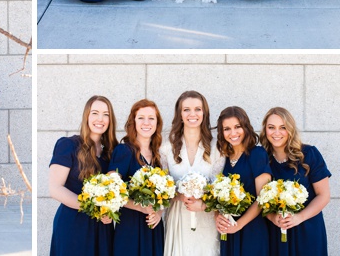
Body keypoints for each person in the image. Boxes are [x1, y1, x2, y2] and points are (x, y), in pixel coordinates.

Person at [49, 95, 117, 255]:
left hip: (102, 229)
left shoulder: (111, 152)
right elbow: (55, 189)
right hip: (73, 225)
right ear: (86, 115)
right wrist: (94, 209)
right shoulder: (68, 145)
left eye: (106, 114)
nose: (100, 119)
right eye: (95, 113)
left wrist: (110, 211)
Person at [160, 90, 224, 256]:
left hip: (206, 219)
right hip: (178, 218)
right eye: (186, 109)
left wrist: (203, 203)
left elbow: (220, 190)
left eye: (197, 109)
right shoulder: (167, 146)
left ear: (204, 113)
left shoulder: (216, 147)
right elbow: (161, 188)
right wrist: (179, 195)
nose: (192, 114)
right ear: (180, 114)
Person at [260, 107, 331, 255]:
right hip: (276, 231)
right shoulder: (262, 159)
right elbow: (259, 198)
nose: (276, 133)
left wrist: (299, 218)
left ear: (290, 129)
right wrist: (273, 218)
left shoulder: (309, 154)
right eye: (271, 127)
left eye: (283, 127)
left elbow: (323, 195)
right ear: (265, 130)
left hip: (307, 230)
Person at [109, 99, 165, 256]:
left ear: (157, 122)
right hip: (130, 227)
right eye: (141, 117)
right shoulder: (124, 150)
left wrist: (158, 214)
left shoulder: (159, 154)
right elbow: (111, 191)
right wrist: (140, 207)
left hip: (154, 227)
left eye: (151, 118)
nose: (146, 122)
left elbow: (164, 196)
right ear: (133, 121)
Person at [214, 106, 271, 256]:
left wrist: (238, 225)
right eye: (227, 129)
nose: (233, 133)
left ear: (245, 127)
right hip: (229, 229)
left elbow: (262, 199)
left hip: (252, 229)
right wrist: (218, 217)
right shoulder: (223, 158)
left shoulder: (257, 154)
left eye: (237, 127)